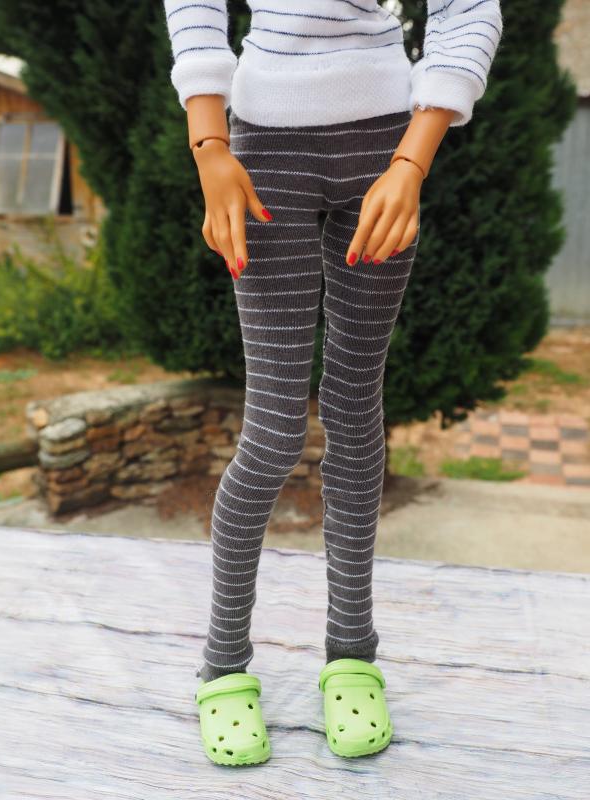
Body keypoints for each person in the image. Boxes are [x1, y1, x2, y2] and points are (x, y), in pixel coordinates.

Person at [163, 0, 503, 765]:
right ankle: (222, 665)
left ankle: (352, 655)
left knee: (354, 409)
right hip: (265, 141)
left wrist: (413, 159)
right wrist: (209, 141)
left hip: (386, 141)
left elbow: (468, 8)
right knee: (274, 429)